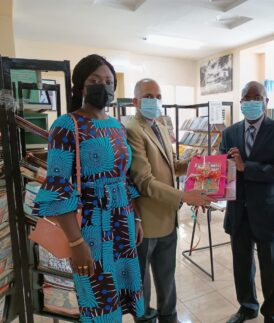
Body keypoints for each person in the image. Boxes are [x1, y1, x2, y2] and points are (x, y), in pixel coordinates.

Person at [33, 54, 144, 322]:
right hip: (92, 230)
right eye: (94, 80)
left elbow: (125, 177)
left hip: (123, 223)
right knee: (98, 304)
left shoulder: (117, 126)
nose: (102, 86)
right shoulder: (66, 126)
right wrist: (76, 242)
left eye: (108, 81)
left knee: (120, 298)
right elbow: (58, 187)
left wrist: (136, 218)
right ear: (81, 86)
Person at [125, 78, 213, 323]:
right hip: (146, 222)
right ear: (135, 101)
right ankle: (144, 319)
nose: (155, 101)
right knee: (143, 284)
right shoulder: (132, 129)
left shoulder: (160, 126)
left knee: (167, 279)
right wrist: (185, 195)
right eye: (148, 96)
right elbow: (143, 180)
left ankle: (169, 318)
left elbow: (171, 166)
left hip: (168, 218)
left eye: (158, 96)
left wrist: (197, 163)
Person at [219, 81, 274, 323]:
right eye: (246, 97)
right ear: (240, 102)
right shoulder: (229, 133)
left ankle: (272, 312)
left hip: (268, 212)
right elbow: (222, 171)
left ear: (266, 102)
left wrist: (246, 167)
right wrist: (207, 189)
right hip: (238, 211)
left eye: (257, 97)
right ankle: (247, 306)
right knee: (242, 265)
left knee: (272, 267)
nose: (251, 102)